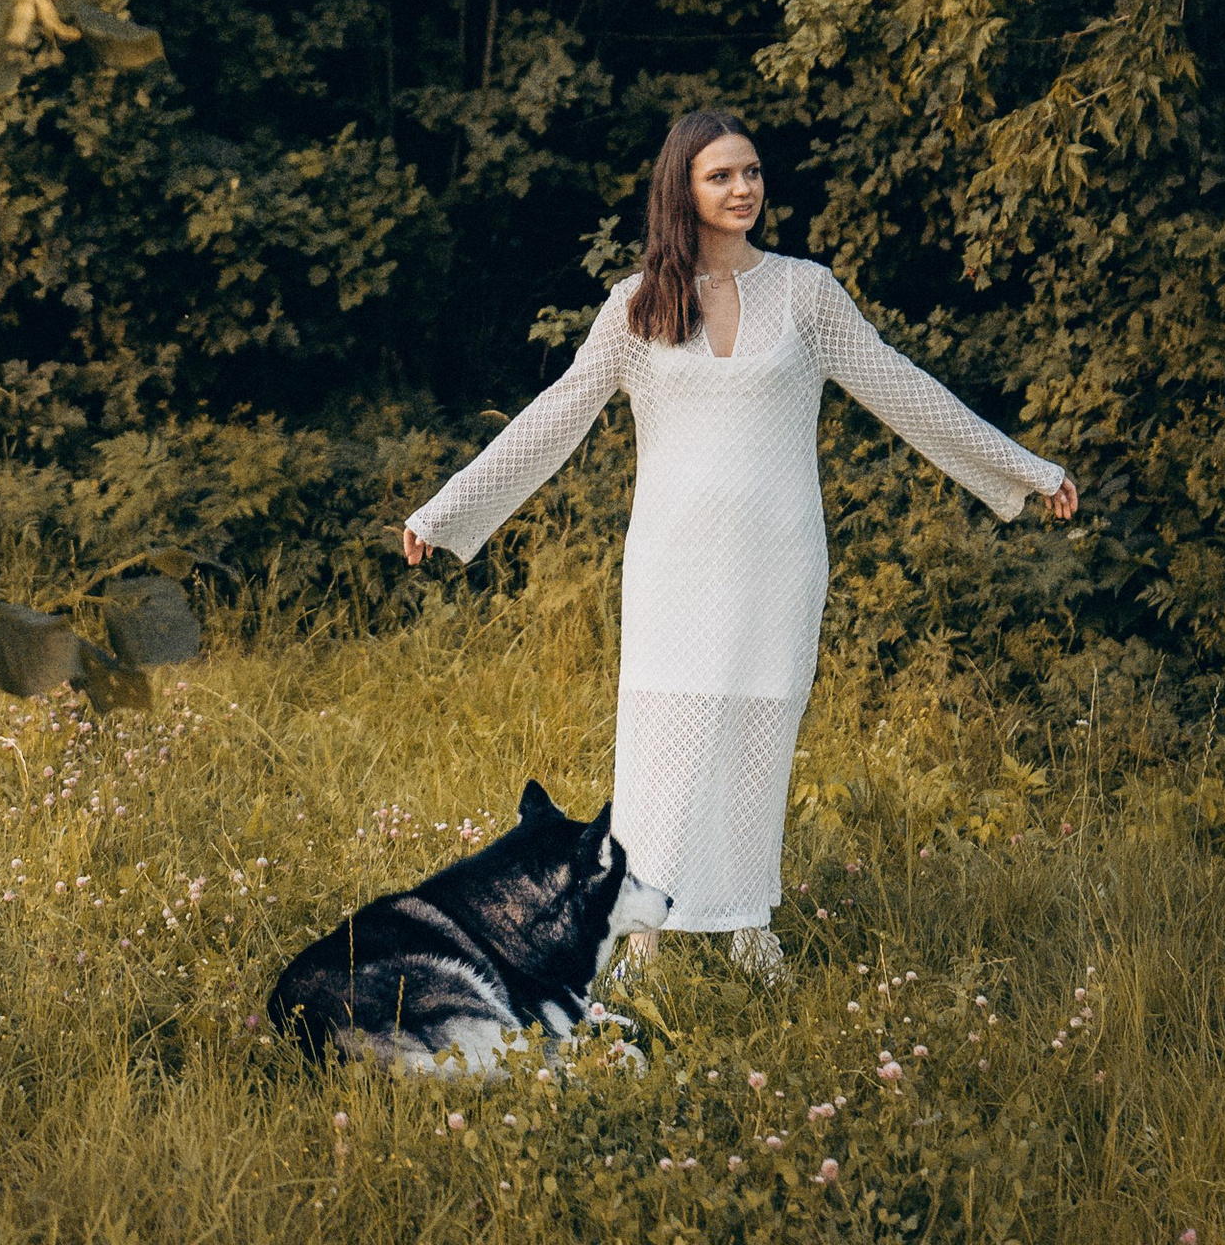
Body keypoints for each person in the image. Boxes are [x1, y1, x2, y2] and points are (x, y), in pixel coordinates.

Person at [400, 108, 1075, 980]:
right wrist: (444, 512)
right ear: (682, 187)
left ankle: (750, 924)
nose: (743, 188)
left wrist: (1023, 469)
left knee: (757, 730)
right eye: (721, 176)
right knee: (661, 736)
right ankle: (640, 933)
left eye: (752, 172)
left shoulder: (806, 294)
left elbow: (904, 391)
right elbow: (555, 417)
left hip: (778, 560)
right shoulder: (638, 305)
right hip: (672, 564)